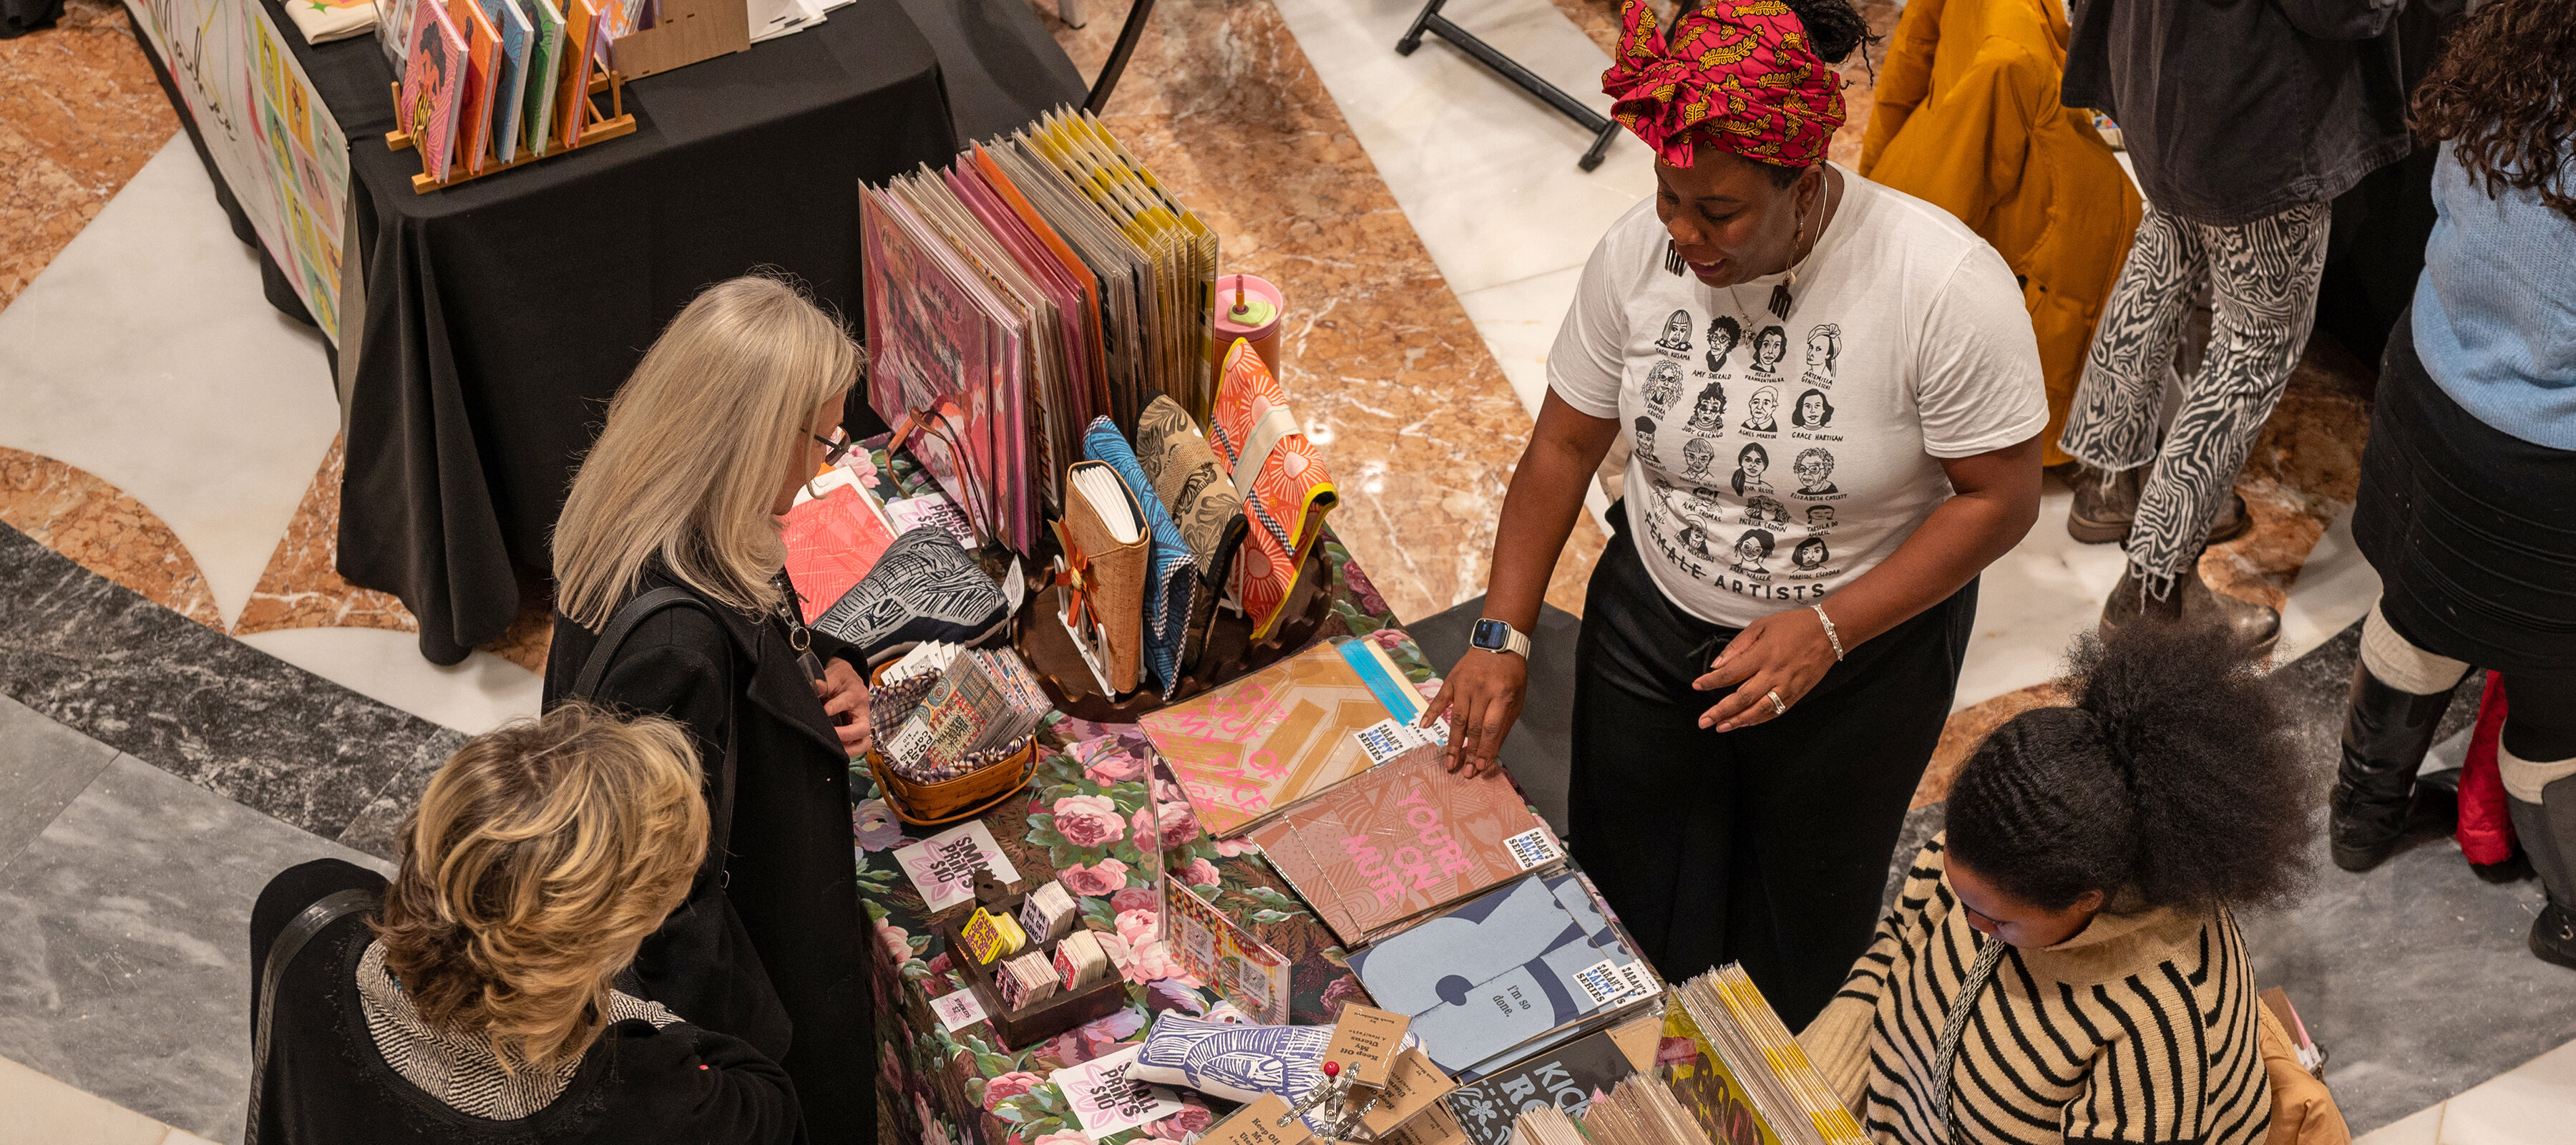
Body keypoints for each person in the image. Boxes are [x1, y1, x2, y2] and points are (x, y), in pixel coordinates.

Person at [1423, 0, 2046, 1026]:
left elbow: (2000, 499)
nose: (1683, 235)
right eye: (1668, 197)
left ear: (1803, 186)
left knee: (1795, 915)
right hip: (1653, 621)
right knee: (1627, 880)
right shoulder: (1639, 256)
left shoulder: (1939, 284)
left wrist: (1830, 626)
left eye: (1718, 214)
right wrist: (1501, 633)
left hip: (1857, 656)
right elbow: (1565, 447)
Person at [544, 275, 877, 1141]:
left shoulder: (643, 510)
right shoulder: (672, 651)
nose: (821, 469)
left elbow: (753, 645)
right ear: (757, 438)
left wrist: (809, 685)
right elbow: (671, 917)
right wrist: (756, 1071)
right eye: (823, 440)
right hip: (763, 990)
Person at [1799, 621, 2303, 1144]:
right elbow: (1891, 959)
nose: (1967, 921)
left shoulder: (2164, 1025)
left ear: (2087, 899)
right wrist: (1801, 1093)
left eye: (1998, 920)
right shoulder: (1992, 860)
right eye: (1957, 888)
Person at [248, 705, 806, 1144]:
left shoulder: (304, 909)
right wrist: (636, 1018)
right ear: (605, 947)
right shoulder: (654, 1097)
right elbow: (769, 1101)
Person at [2327, 0, 2576, 970]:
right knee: (2562, 704)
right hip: (2547, 475)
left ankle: (2360, 822)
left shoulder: (2514, 56)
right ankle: (2569, 915)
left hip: (2430, 398)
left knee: (2416, 612)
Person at [2055, 0, 2409, 651]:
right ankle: (2153, 593)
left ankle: (2108, 488)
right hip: (2250, 113)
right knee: (2252, 348)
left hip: (2155, 75)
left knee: (2161, 265)